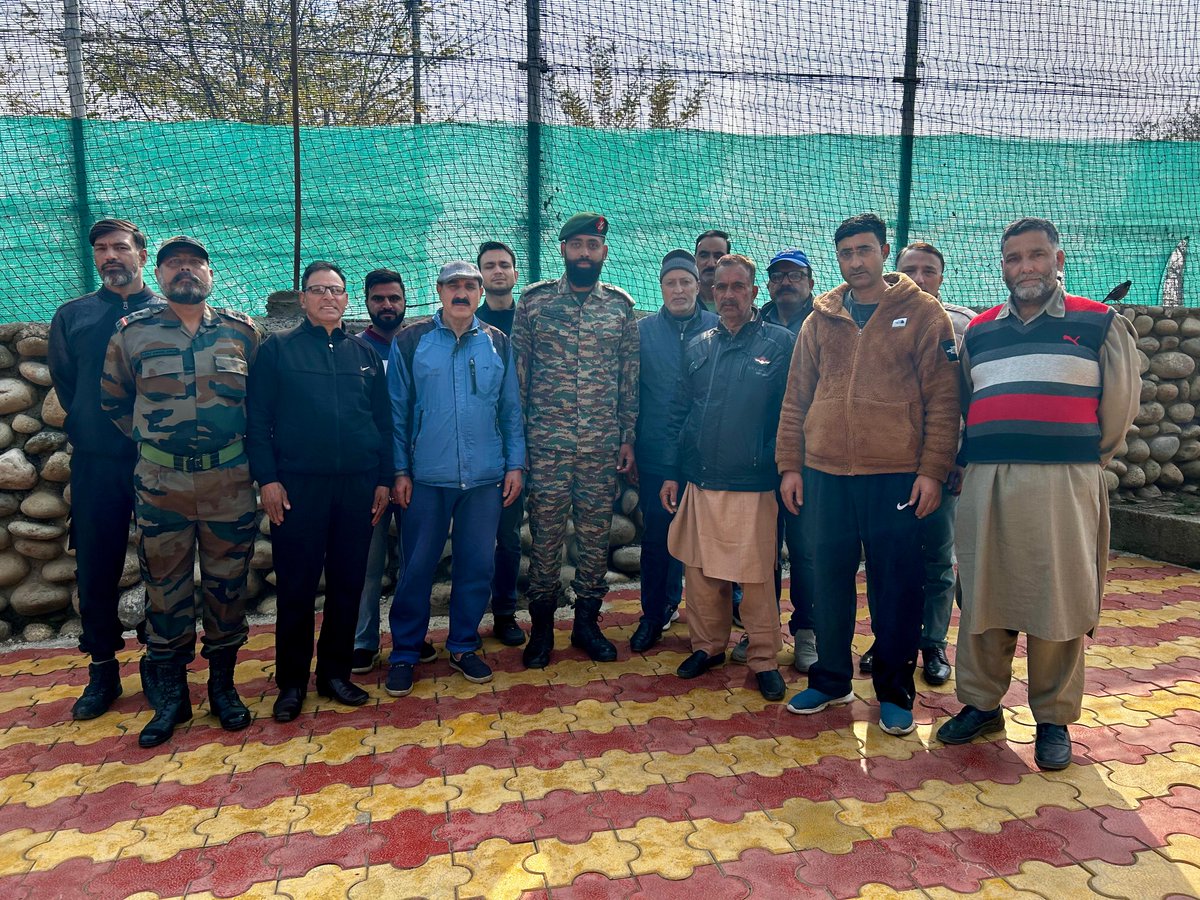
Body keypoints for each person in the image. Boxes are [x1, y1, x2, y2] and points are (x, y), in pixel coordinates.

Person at [936, 218, 1139, 770]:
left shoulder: (1099, 323)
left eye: (1035, 255)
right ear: (1002, 267)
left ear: (1058, 259)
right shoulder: (977, 331)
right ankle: (981, 705)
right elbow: (965, 401)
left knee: (1059, 600)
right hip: (988, 480)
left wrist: (1076, 461)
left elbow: (1118, 411)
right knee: (982, 597)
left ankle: (1052, 718)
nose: (1025, 267)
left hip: (1064, 484)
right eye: (1013, 258)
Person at [776, 213, 960, 736]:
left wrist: (932, 471)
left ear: (883, 251)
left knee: (897, 588)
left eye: (863, 251)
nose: (855, 262)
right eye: (845, 253)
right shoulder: (820, 319)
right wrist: (790, 464)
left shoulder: (925, 315)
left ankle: (895, 692)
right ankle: (831, 679)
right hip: (824, 475)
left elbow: (944, 404)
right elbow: (796, 400)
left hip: (897, 477)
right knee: (825, 581)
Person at [100, 235, 260, 748]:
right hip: (161, 484)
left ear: (210, 275)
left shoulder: (242, 333)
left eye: (194, 263)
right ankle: (170, 698)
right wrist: (160, 449)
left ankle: (223, 689)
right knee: (165, 591)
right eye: (174, 265)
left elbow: (260, 405)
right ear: (160, 275)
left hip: (228, 483)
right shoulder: (132, 333)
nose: (184, 271)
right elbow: (114, 402)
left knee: (227, 587)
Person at [246, 261, 392, 723]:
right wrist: (267, 480)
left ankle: (334, 674)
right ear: (304, 298)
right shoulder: (277, 351)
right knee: (297, 588)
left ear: (347, 299)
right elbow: (257, 422)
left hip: (357, 487)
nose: (329, 297)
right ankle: (291, 683)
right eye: (318, 290)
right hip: (296, 489)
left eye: (337, 290)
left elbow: (384, 423)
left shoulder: (364, 354)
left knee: (349, 584)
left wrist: (384, 479)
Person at [384, 261, 525, 696]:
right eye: (453, 286)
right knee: (417, 568)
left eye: (469, 286)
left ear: (480, 293)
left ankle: (464, 645)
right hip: (426, 478)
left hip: (484, 478)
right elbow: (397, 412)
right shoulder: (411, 340)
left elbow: (510, 408)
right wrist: (400, 471)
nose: (461, 293)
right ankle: (406, 651)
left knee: (476, 566)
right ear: (439, 291)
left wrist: (515, 464)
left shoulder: (498, 342)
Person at [660, 254, 795, 701]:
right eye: (721, 287)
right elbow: (680, 412)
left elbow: (791, 416)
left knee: (755, 580)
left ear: (755, 293)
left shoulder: (781, 344)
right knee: (699, 575)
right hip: (700, 480)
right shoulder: (698, 345)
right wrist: (673, 474)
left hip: (754, 484)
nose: (730, 295)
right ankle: (707, 648)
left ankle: (762, 660)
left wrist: (788, 469)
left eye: (739, 287)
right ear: (711, 292)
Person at [512, 212, 639, 669]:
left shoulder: (620, 308)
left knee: (593, 538)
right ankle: (542, 629)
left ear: (604, 252)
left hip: (601, 447)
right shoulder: (534, 304)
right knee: (545, 539)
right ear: (563, 250)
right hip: (546, 446)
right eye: (576, 245)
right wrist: (517, 444)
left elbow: (629, 379)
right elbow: (518, 381)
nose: (584, 253)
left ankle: (587, 624)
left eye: (592, 245)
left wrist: (627, 437)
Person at [49, 218, 163, 720]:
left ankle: (160, 665)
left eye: (121, 246)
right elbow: (69, 387)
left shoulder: (167, 314)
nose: (111, 255)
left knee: (166, 565)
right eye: (102, 249)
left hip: (159, 463)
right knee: (96, 567)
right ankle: (102, 670)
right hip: (97, 466)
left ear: (141, 253)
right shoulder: (73, 317)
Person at [859, 241, 975, 683]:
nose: (920, 277)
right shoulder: (874, 319)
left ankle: (932, 644)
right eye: (911, 269)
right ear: (895, 273)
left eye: (930, 270)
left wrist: (961, 458)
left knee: (938, 560)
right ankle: (887, 638)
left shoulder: (964, 325)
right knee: (884, 560)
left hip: (944, 467)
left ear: (942, 278)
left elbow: (971, 397)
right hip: (888, 467)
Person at [731, 249, 819, 673]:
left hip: (809, 460)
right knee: (760, 553)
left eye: (794, 275)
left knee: (805, 550)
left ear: (811, 281)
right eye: (778, 276)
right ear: (766, 286)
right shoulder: (755, 325)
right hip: (759, 459)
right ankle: (760, 630)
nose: (786, 281)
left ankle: (807, 632)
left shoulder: (825, 322)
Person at [630, 249, 717, 652]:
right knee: (657, 541)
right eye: (671, 283)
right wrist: (629, 442)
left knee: (709, 543)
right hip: (656, 456)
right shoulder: (643, 332)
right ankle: (654, 613)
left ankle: (713, 619)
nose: (679, 289)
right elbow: (629, 393)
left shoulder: (719, 329)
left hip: (708, 459)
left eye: (686, 281)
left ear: (699, 286)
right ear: (661, 288)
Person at [350, 268, 425, 674]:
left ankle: (409, 640)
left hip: (418, 474)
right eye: (378, 299)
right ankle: (363, 641)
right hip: (371, 476)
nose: (387, 305)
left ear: (405, 302)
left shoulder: (418, 346)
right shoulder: (355, 350)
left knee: (415, 562)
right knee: (369, 562)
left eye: (394, 298)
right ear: (366, 303)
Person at [474, 240, 527, 647]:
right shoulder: (467, 323)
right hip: (478, 449)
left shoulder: (530, 320)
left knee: (509, 538)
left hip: (528, 444)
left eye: (504, 265)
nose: (497, 271)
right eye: (489, 266)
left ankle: (506, 613)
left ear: (514, 274)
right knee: (475, 539)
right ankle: (469, 616)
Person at [694, 229, 731, 310]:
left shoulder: (741, 306)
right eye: (704, 256)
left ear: (728, 261)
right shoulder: (682, 304)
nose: (711, 264)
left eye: (718, 256)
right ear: (694, 260)